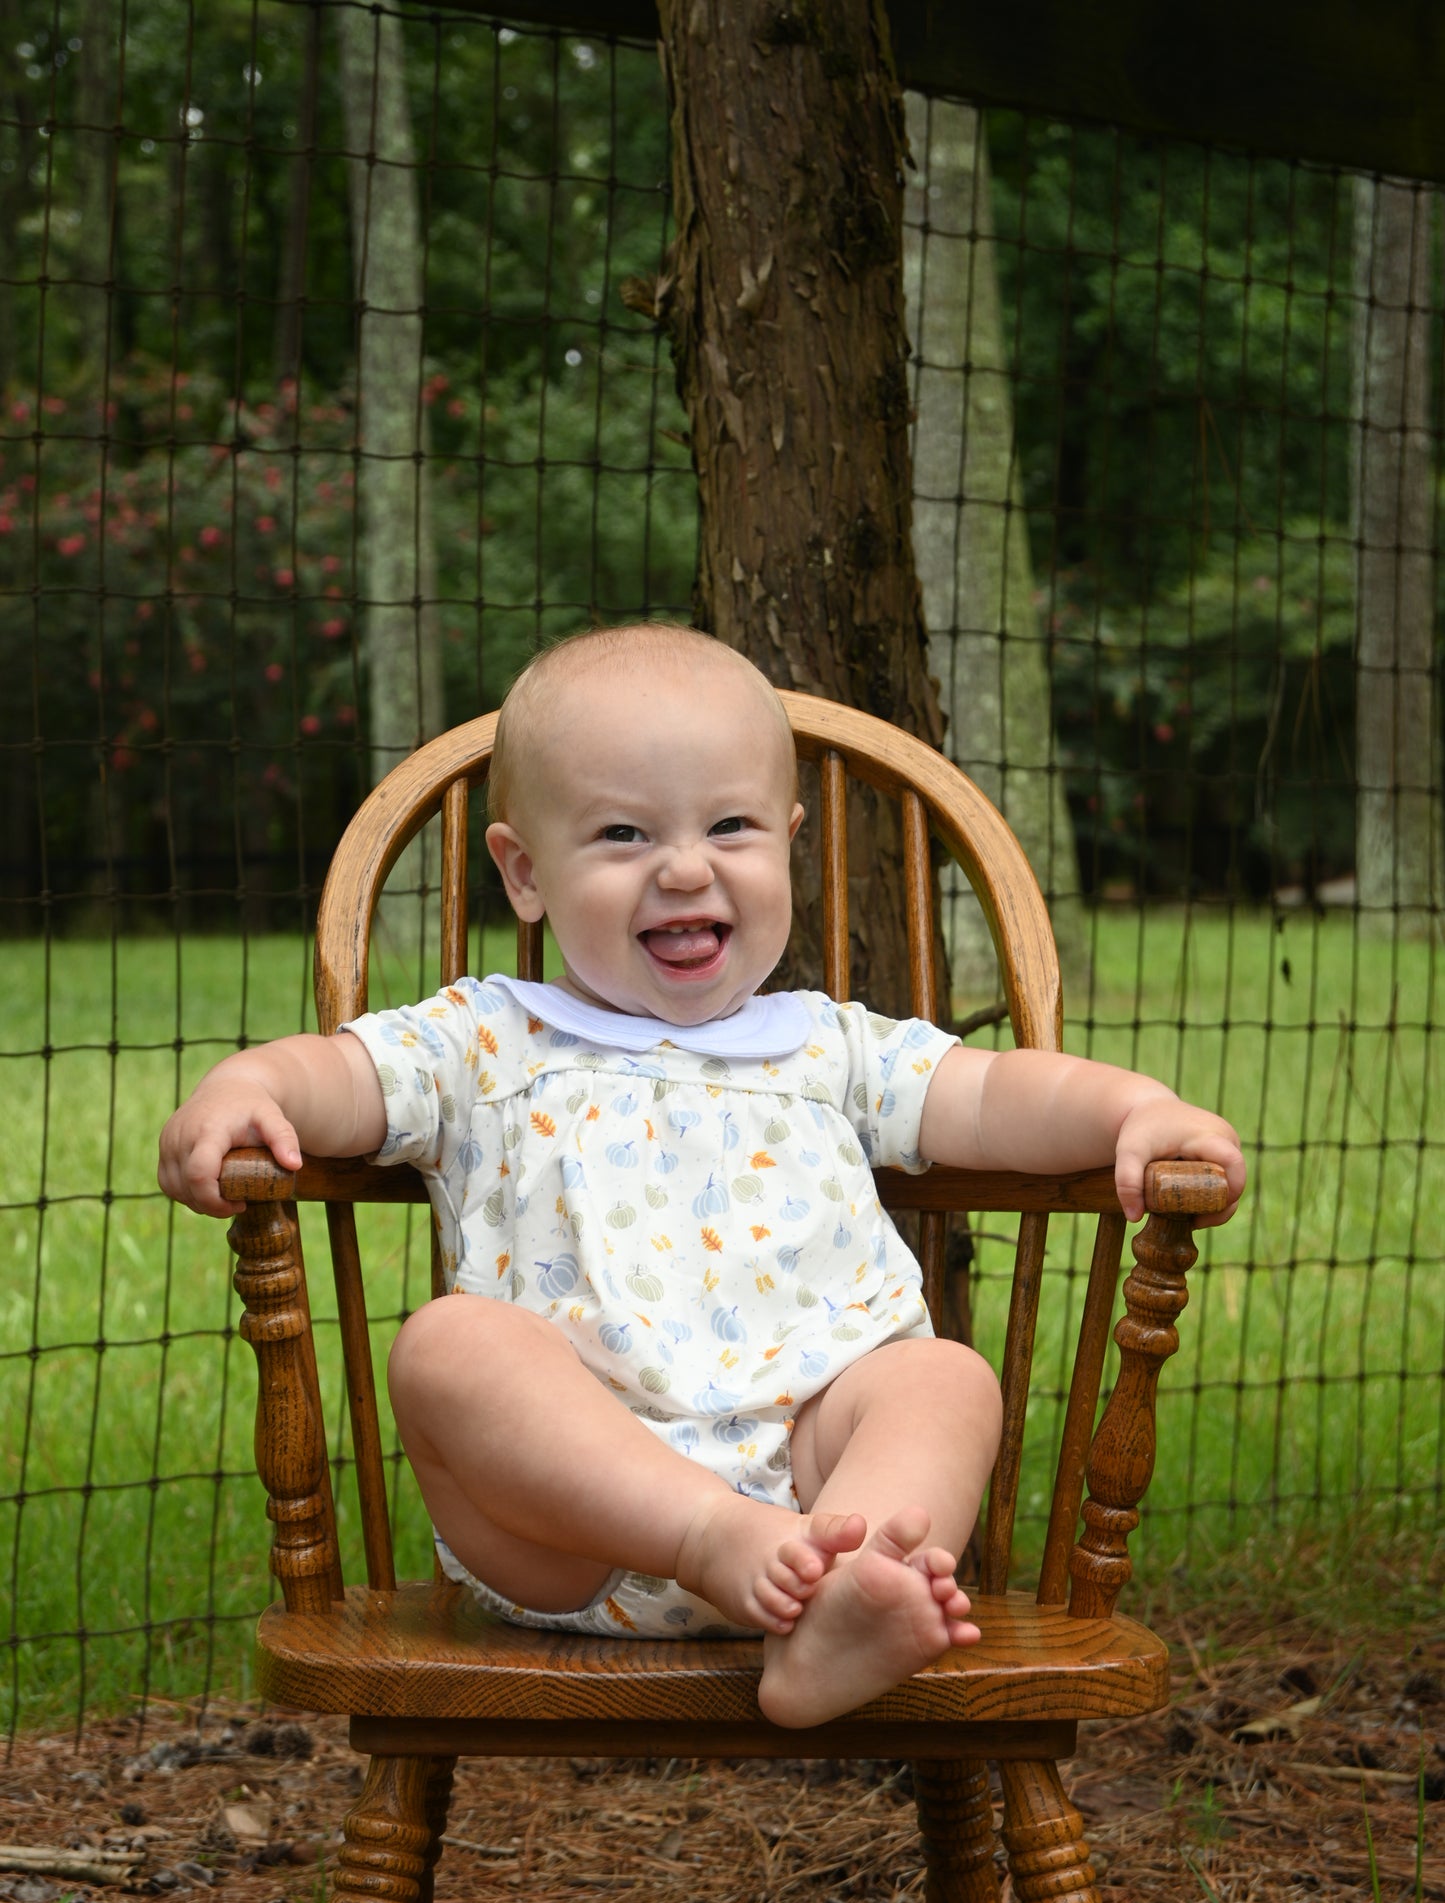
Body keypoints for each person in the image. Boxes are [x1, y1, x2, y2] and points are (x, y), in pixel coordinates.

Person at [158, 624, 1245, 1728]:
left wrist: (1132, 1107)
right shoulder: (484, 1039)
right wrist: (251, 1086)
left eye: (728, 826)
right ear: (524, 872)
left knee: (944, 1379)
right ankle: (712, 1535)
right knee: (449, 1348)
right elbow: (338, 1075)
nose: (685, 865)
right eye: (622, 834)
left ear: (786, 840)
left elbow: (991, 1092)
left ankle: (847, 1600)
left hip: (812, 1502)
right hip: (569, 1534)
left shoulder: (829, 1046)